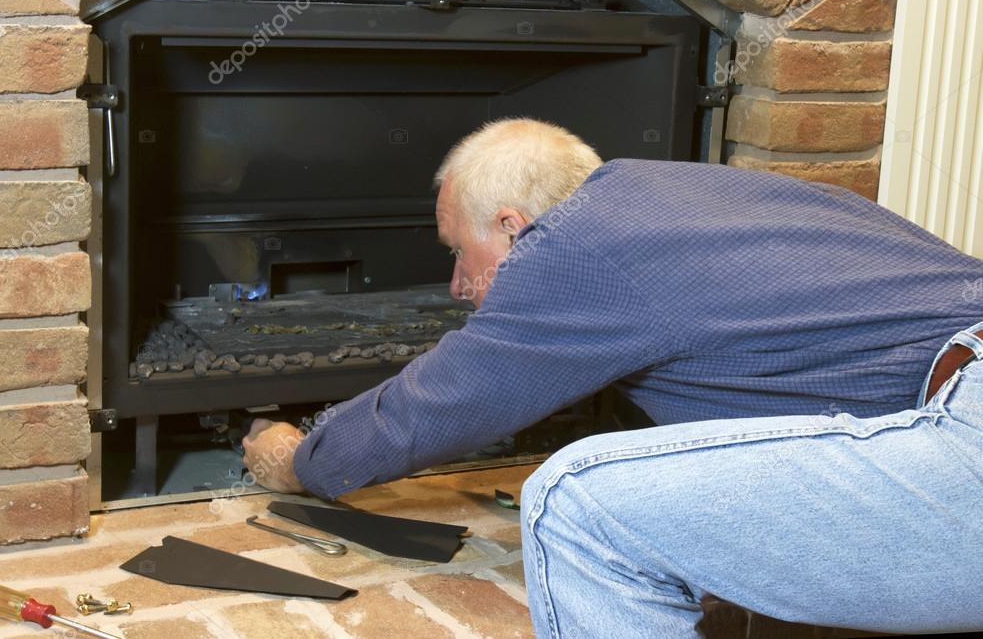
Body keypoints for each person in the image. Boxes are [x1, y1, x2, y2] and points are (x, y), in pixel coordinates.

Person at [243, 118, 983, 637]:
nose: (455, 285)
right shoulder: (714, 194)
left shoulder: (572, 249)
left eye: (457, 251)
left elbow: (433, 406)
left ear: (510, 224)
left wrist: (299, 459)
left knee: (574, 501)